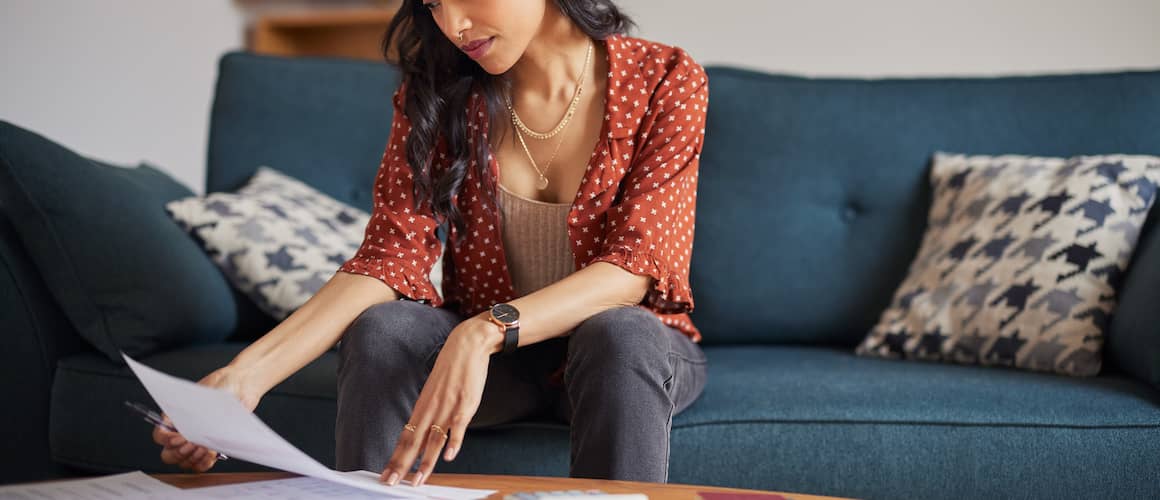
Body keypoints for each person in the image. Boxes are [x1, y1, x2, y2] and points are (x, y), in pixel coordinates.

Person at [152, 0, 709, 485]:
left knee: (621, 332)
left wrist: (486, 329)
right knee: (384, 328)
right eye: (434, 2)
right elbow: (386, 258)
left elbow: (633, 269)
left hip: (621, 355)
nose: (454, 24)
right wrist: (242, 378)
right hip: (500, 373)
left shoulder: (665, 78)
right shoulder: (439, 93)